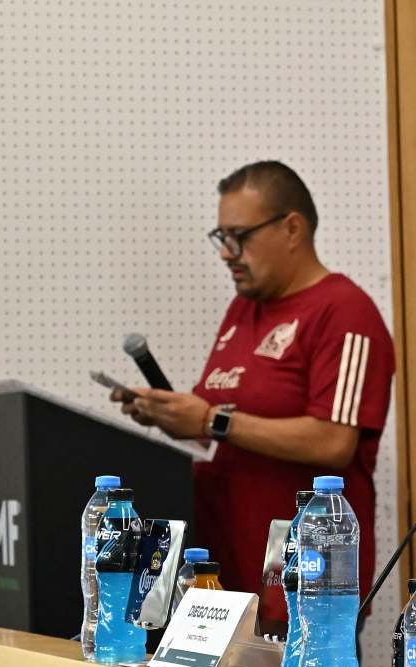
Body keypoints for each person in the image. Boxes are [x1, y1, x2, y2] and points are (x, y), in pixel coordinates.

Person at [113, 161, 394, 612]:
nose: (226, 252)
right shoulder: (243, 310)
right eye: (221, 237)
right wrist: (170, 416)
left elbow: (334, 440)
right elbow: (221, 430)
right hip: (221, 580)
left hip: (303, 589)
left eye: (239, 237)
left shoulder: (346, 312)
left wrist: (210, 419)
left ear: (292, 229)